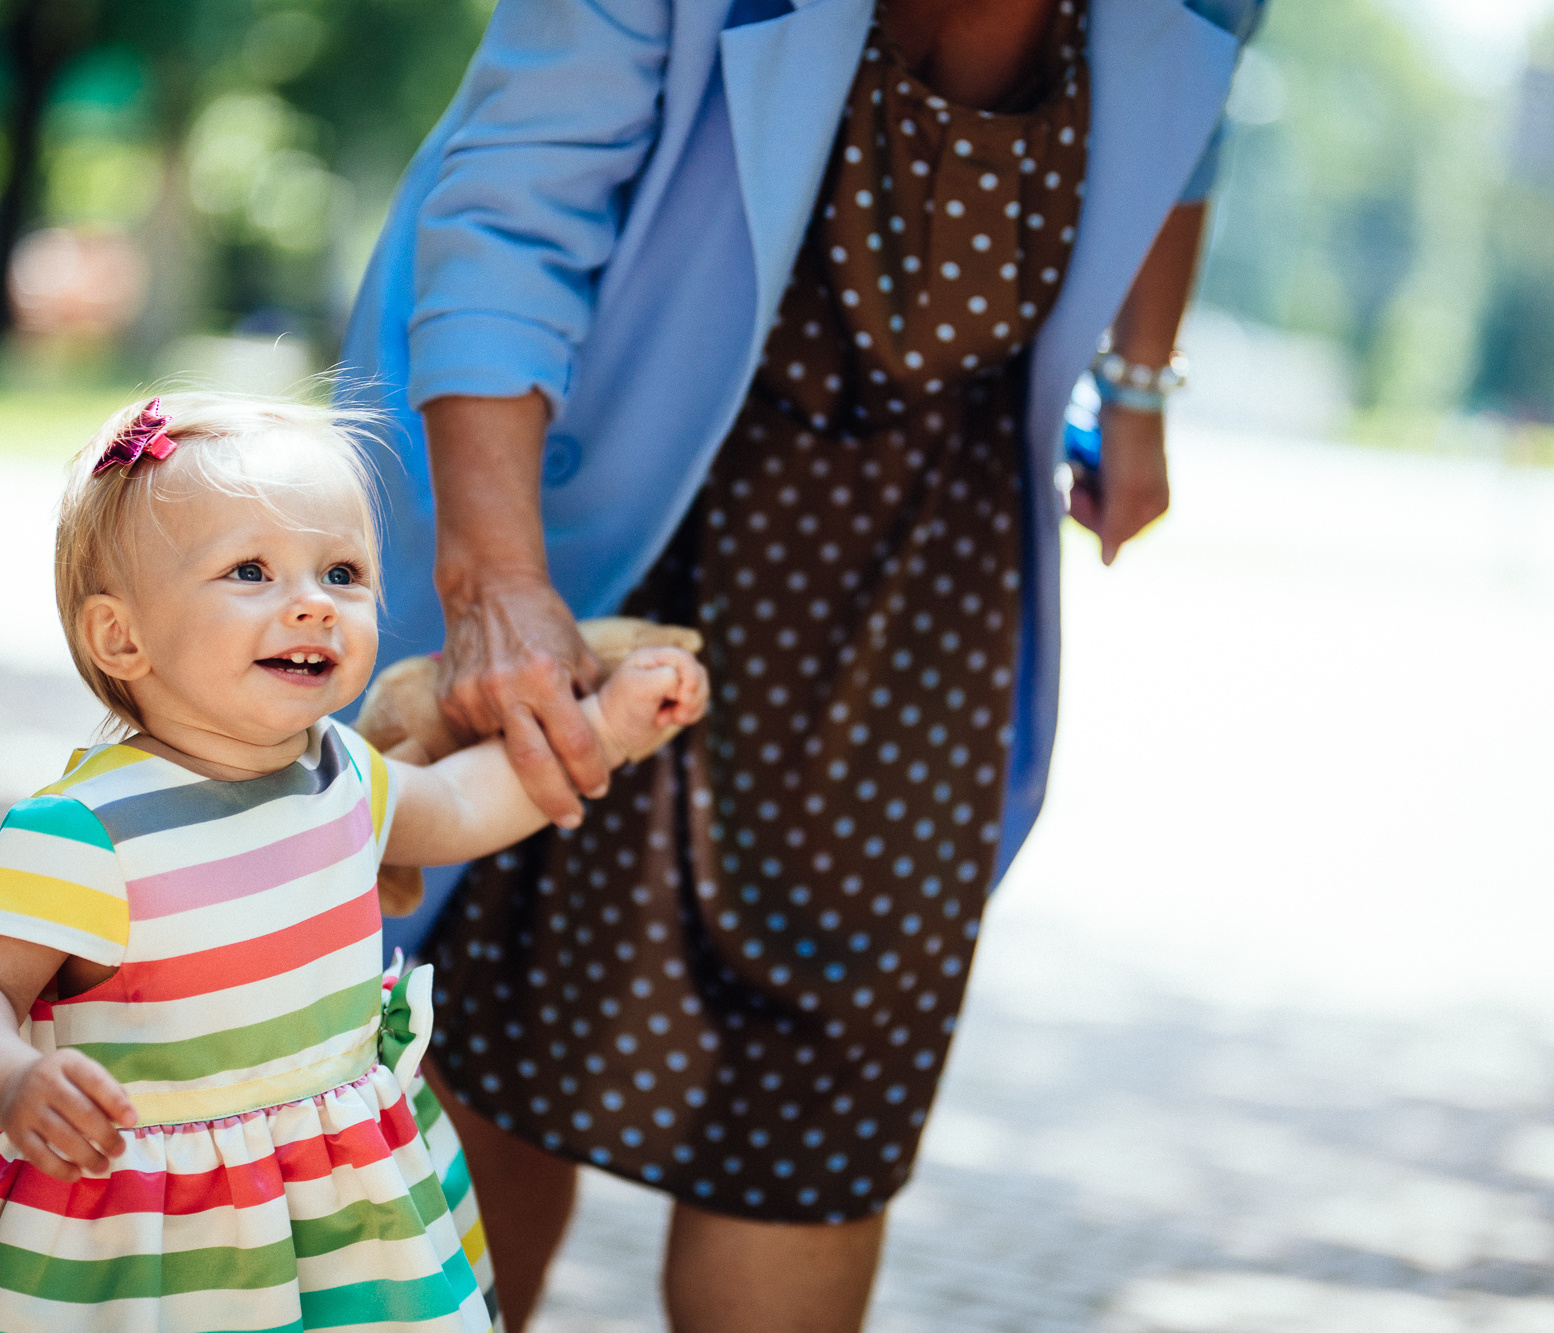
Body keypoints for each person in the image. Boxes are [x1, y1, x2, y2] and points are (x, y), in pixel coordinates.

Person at [340, 0, 1267, 1328]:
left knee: (816, 1130)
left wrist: (1140, 386)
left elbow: (1190, 120)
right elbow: (512, 201)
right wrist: (494, 578)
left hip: (920, 595)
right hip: (613, 530)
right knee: (487, 1051)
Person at [0, 393, 708, 1333]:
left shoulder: (340, 770)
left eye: (343, 571)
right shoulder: (87, 829)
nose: (314, 601)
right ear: (123, 636)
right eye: (251, 570)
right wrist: (7, 1079)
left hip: (346, 1207)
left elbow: (466, 802)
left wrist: (602, 728)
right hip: (161, 1244)